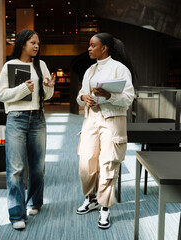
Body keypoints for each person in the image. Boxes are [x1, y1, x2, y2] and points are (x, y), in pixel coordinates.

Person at [76, 33, 135, 229]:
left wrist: (109, 95)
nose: (89, 49)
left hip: (113, 120)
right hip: (91, 119)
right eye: (89, 45)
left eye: (93, 45)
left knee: (108, 163)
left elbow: (128, 98)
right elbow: (81, 93)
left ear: (105, 48)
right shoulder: (90, 70)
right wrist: (84, 98)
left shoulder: (120, 69)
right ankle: (91, 198)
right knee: (86, 162)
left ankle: (104, 207)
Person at [0, 29, 55, 230]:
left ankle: (34, 202)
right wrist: (23, 89)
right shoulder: (9, 66)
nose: (37, 46)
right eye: (33, 42)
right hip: (16, 118)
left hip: (38, 118)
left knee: (37, 167)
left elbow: (46, 96)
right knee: (16, 169)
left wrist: (49, 87)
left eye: (38, 43)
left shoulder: (41, 65)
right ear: (23, 44)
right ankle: (16, 215)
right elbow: (2, 95)